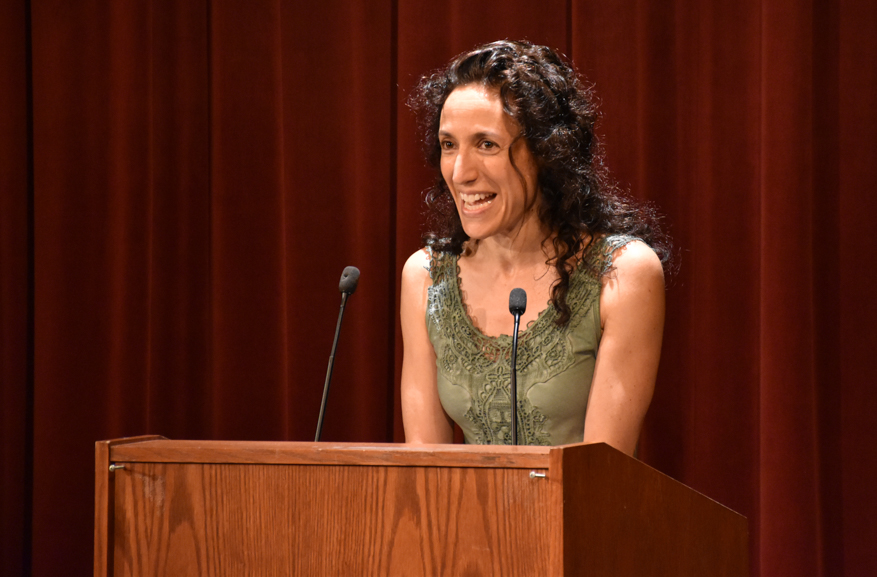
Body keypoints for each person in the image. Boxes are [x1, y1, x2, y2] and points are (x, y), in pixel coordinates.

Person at [400, 40, 671, 456]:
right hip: (462, 521)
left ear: (546, 152)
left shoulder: (622, 272)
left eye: (486, 145)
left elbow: (601, 482)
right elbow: (426, 476)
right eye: (449, 145)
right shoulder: (425, 276)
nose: (460, 172)